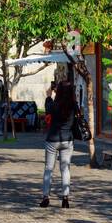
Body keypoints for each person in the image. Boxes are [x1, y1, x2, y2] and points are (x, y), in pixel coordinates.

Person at [41, 79, 76, 207]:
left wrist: (50, 93)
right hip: (68, 139)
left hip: (52, 140)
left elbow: (48, 108)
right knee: (65, 169)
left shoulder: (53, 104)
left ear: (58, 91)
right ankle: (65, 198)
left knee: (48, 169)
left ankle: (46, 197)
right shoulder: (74, 104)